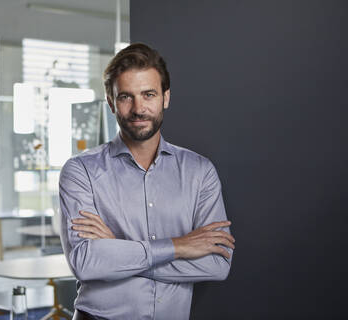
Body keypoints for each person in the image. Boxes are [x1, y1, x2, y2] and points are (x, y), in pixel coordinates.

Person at [59, 43, 235, 320]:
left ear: (165, 98)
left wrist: (118, 247)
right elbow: (86, 262)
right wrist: (178, 247)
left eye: (148, 94)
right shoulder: (81, 171)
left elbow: (217, 264)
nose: (138, 108)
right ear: (110, 101)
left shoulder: (200, 172)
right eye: (126, 97)